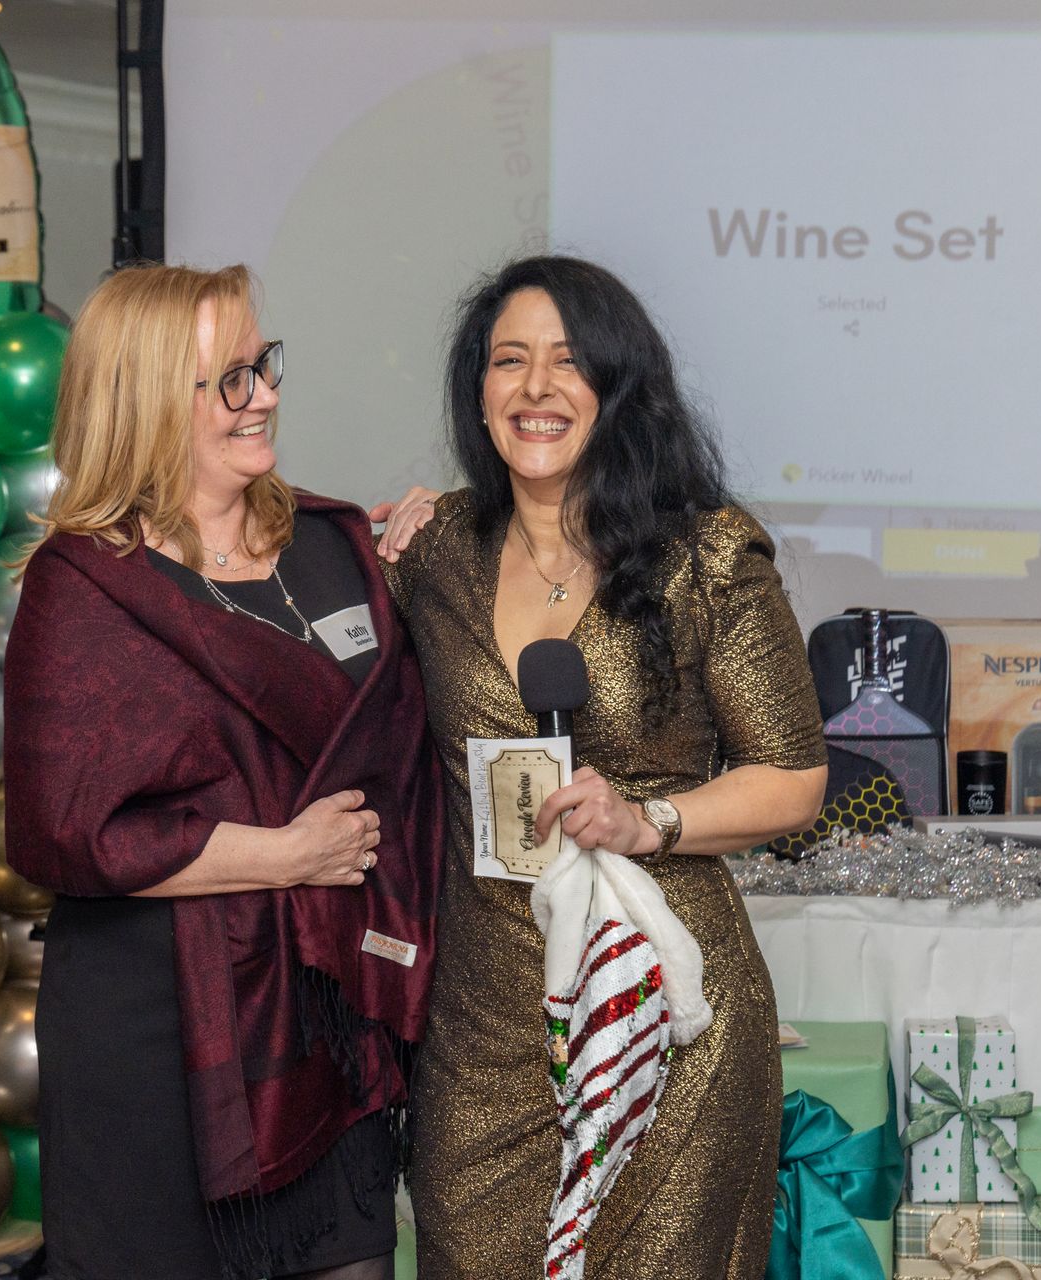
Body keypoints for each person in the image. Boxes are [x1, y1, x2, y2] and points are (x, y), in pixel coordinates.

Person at [376, 255, 828, 1277]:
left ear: (618, 389)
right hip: (484, 1030)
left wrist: (646, 819)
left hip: (668, 1018)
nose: (535, 388)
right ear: (478, 392)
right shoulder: (431, 553)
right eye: (508, 362)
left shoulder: (708, 555)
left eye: (568, 363)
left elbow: (794, 776)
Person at [3, 263, 445, 1280]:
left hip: (328, 1006)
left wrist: (435, 561)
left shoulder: (338, 548)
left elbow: (401, 740)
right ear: (152, 398)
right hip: (157, 1025)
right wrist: (286, 853)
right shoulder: (84, 588)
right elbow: (66, 829)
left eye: (265, 364)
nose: (268, 396)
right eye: (232, 379)